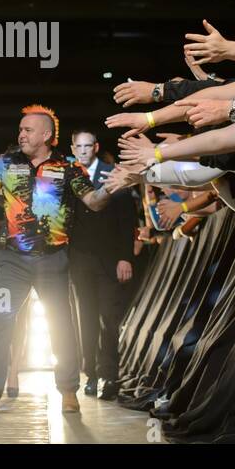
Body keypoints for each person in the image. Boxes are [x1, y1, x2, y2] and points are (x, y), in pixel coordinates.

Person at [0, 104, 126, 415]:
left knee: (60, 325)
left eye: (28, 130)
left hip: (54, 261)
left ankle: (68, 391)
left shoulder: (68, 168)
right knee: (0, 321)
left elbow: (93, 201)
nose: (21, 134)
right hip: (12, 262)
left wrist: (115, 186)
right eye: (20, 129)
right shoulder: (5, 164)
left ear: (47, 135)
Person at [66, 129, 137, 400]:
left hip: (109, 258)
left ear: (95, 147)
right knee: (85, 318)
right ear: (73, 148)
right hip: (79, 258)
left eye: (87, 146)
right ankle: (92, 376)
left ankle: (110, 375)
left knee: (109, 317)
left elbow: (127, 217)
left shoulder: (112, 173)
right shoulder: (68, 174)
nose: (83, 151)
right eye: (78, 146)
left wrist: (125, 256)